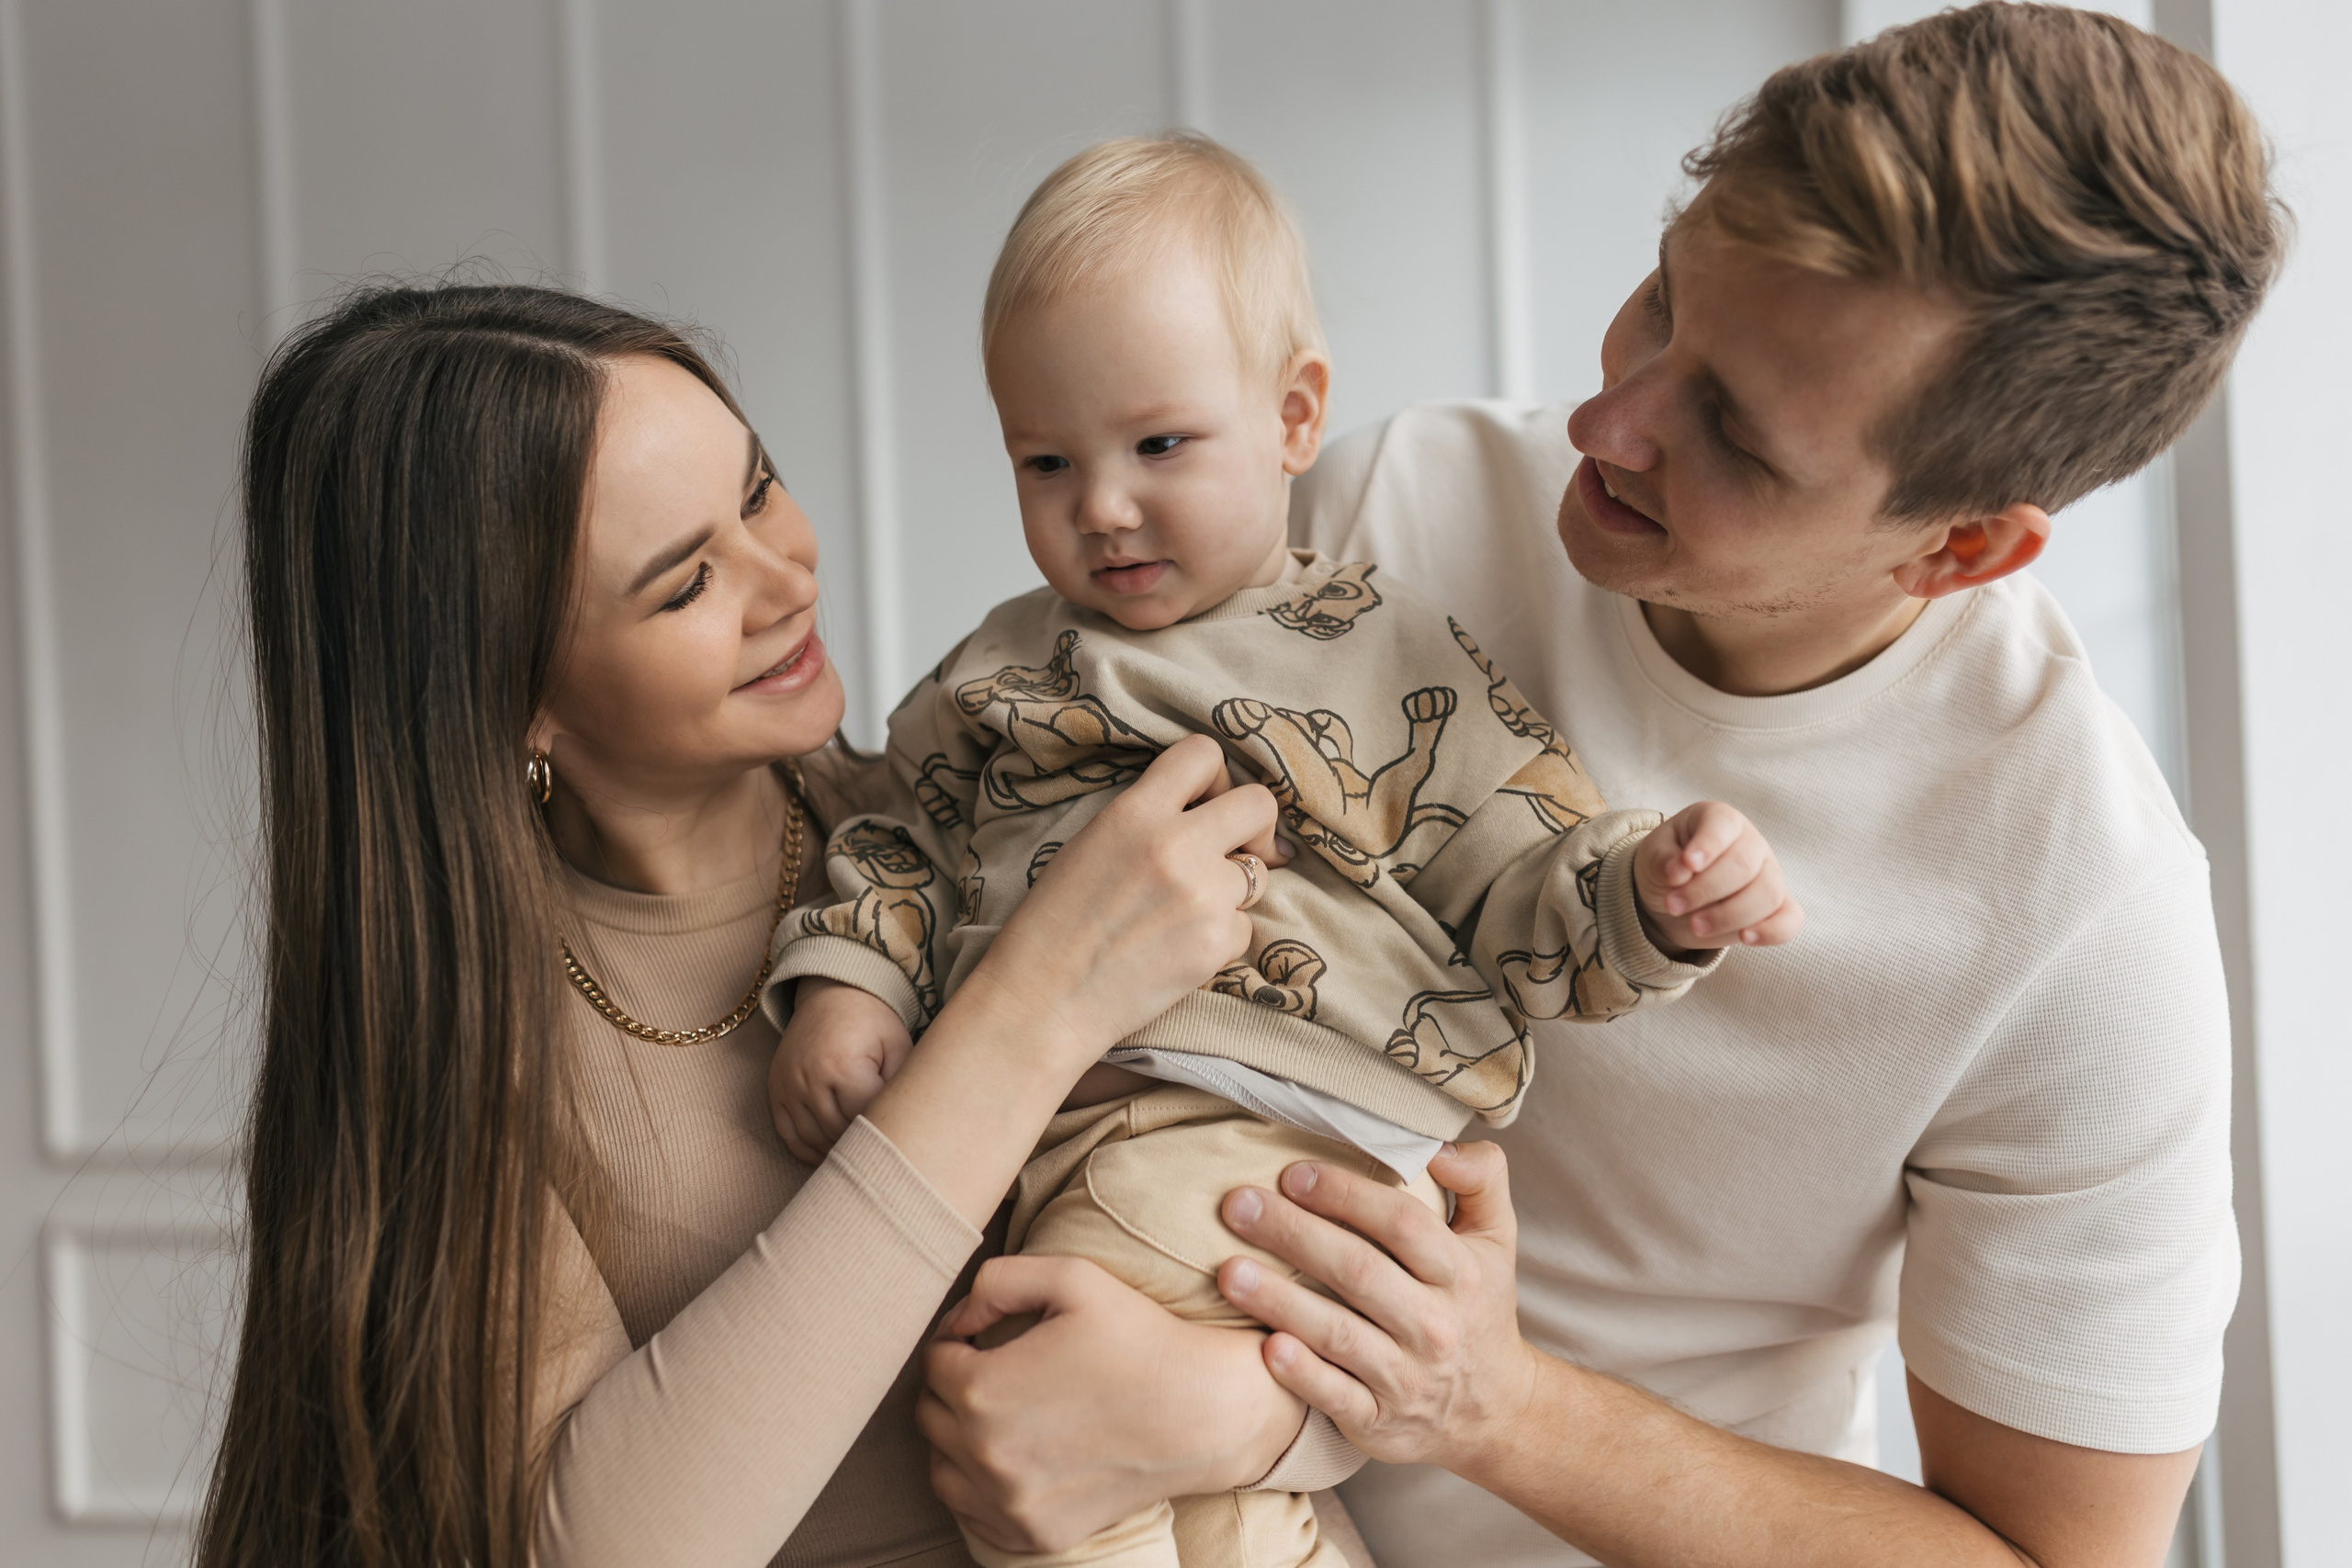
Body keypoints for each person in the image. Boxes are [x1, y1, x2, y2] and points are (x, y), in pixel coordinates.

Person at [918, 7, 2280, 1565]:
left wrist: (1485, 1406)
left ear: (1958, 547)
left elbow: (2056, 1558)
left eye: (1735, 435)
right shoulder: (1396, 508)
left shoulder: (2080, 914)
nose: (1606, 419)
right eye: (1659, 304)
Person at [763, 135, 1800, 1568]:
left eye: (1159, 446)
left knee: (1048, 1416)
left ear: (1296, 414)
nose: (1103, 505)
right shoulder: (1002, 669)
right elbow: (894, 831)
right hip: (1055, 1138)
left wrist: (1654, 893)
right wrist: (850, 986)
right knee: (1230, 1510)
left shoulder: (1388, 652)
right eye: (1045, 460)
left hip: (1292, 1134)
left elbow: (1520, 877)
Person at [197, 282, 1350, 1568]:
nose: (786, 577)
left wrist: (1248, 1417)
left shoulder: (989, 811)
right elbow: (598, 1548)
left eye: (756, 492)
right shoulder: (468, 1045)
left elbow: (1394, 1275)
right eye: (685, 581)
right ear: (514, 697)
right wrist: (1035, 1010)